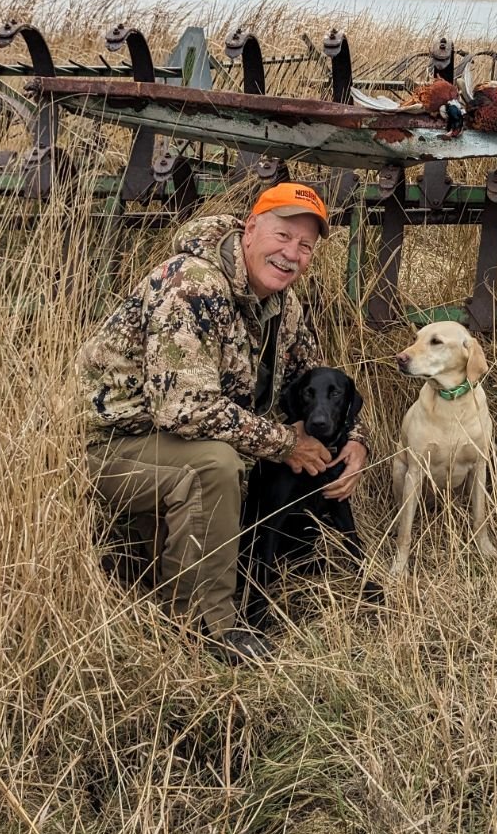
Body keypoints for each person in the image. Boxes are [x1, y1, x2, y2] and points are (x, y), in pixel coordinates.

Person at [77, 182, 369, 662]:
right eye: (282, 236)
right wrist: (282, 442)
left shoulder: (283, 305)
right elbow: (184, 408)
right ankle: (207, 629)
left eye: (305, 246)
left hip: (164, 445)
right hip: (110, 445)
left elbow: (314, 380)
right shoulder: (192, 284)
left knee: (228, 455)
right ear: (250, 228)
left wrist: (354, 441)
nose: (291, 254)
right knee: (214, 464)